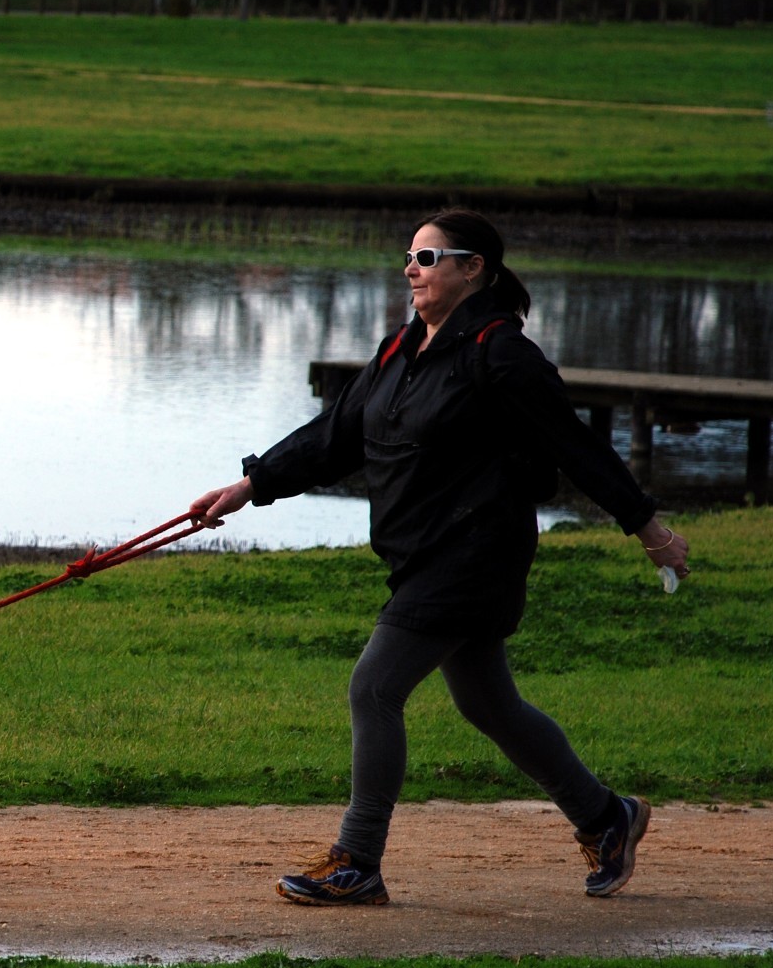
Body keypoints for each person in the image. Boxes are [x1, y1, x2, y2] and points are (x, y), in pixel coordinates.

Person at [189, 208, 690, 905]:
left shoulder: (501, 352)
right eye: (409, 257)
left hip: (478, 553)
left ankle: (357, 860)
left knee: (374, 687)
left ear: (473, 267)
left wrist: (647, 526)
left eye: (428, 258)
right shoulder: (400, 350)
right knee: (489, 702)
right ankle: (607, 817)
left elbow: (573, 444)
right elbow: (334, 436)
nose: (411, 270)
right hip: (422, 554)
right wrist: (250, 485)